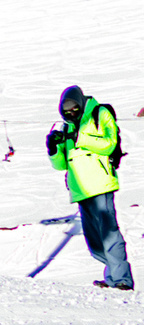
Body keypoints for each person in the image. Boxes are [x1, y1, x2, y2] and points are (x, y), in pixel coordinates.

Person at [49, 84, 131, 291]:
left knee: (109, 233)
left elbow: (109, 143)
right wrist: (54, 149)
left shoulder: (99, 113)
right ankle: (112, 275)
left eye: (74, 108)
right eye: (66, 110)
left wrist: (81, 138)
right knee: (94, 242)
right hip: (80, 189)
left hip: (100, 184)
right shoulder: (68, 126)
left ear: (80, 103)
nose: (71, 112)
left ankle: (121, 279)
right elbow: (61, 165)